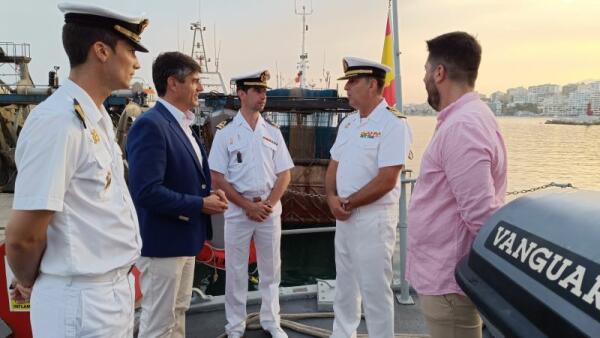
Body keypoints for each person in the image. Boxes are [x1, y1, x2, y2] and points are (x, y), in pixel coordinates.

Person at [4, 3, 149, 336]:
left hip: (109, 292)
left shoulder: (92, 119)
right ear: (101, 51)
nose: (137, 62)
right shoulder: (58, 123)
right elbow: (23, 237)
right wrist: (29, 282)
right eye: (130, 50)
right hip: (80, 301)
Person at [406, 31, 507, 338]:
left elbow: (481, 215)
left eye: (426, 70)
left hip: (448, 282)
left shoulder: (464, 127)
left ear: (439, 72)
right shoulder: (466, 119)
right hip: (444, 277)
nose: (424, 77)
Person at [126, 51, 228, 338]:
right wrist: (201, 204)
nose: (201, 87)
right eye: (195, 80)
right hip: (162, 246)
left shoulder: (183, 125)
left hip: (185, 240)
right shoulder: (151, 125)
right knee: (158, 324)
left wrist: (210, 194)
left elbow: (187, 179)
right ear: (173, 83)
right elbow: (146, 191)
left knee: (179, 312)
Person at [326, 57, 412, 338]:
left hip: (373, 220)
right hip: (345, 217)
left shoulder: (393, 125)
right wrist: (330, 197)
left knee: (375, 291)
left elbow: (387, 179)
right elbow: (333, 166)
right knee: (345, 286)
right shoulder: (349, 124)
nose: (347, 88)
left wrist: (347, 203)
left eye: (353, 82)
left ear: (372, 85)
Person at [208, 70, 294, 338]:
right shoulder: (226, 134)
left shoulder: (273, 132)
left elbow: (284, 174)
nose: (263, 96)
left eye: (265, 91)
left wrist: (267, 204)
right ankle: (235, 325)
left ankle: (272, 320)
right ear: (242, 94)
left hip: (269, 211)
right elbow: (218, 177)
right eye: (257, 91)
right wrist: (247, 205)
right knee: (235, 271)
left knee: (271, 269)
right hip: (238, 212)